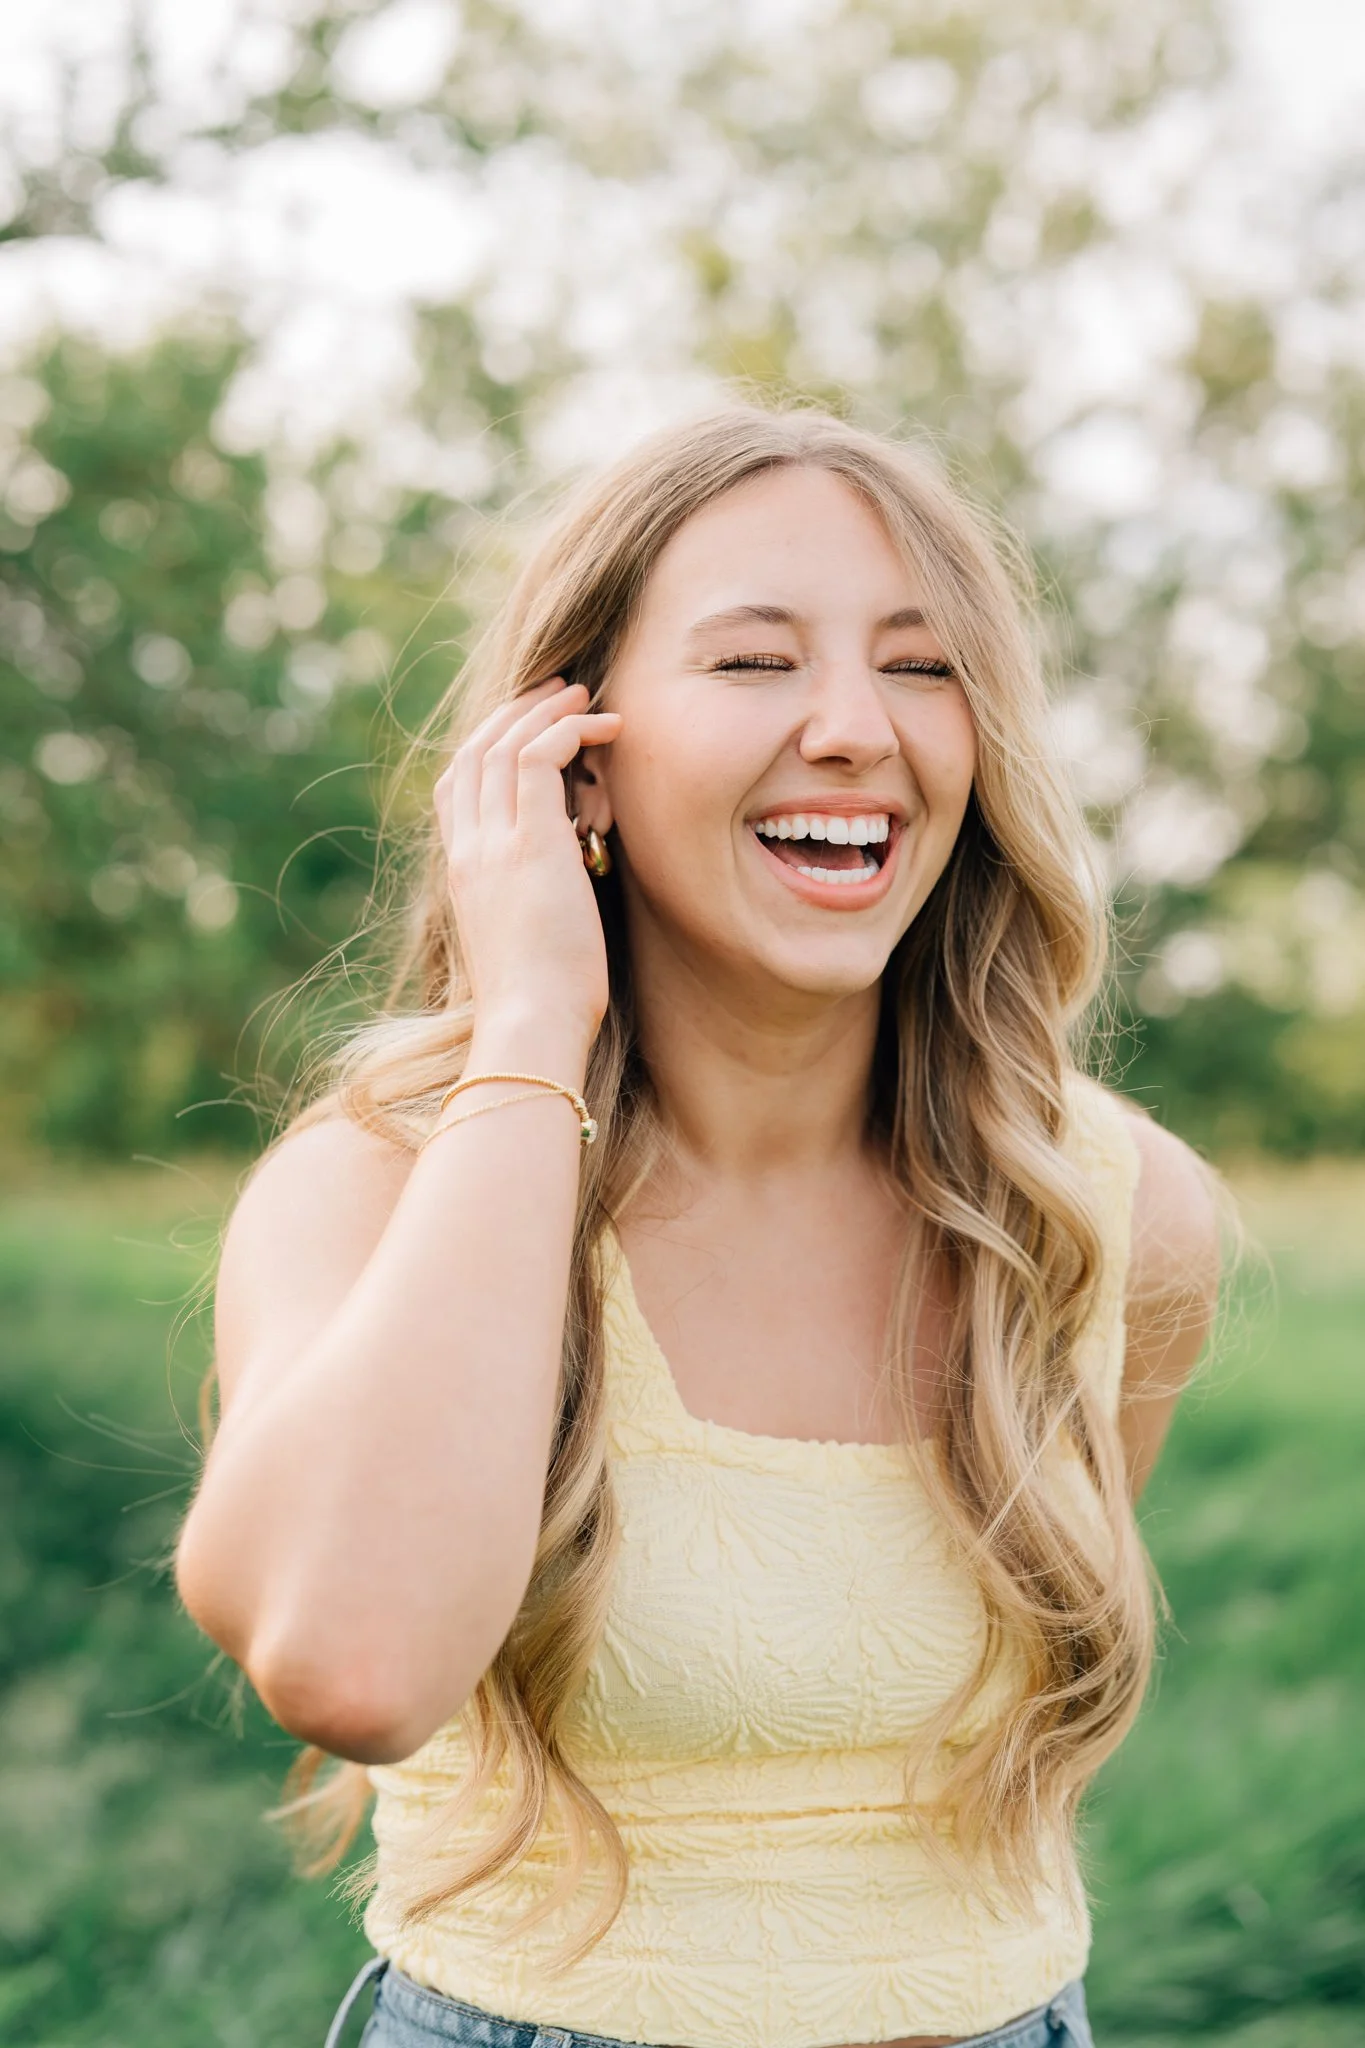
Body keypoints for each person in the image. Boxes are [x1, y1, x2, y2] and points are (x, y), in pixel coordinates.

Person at [174, 406, 1225, 2048]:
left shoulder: (1108, 1215)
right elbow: (355, 1667)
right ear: (572, 748)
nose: (855, 728)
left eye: (925, 666)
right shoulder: (372, 1182)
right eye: (752, 664)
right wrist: (530, 1029)